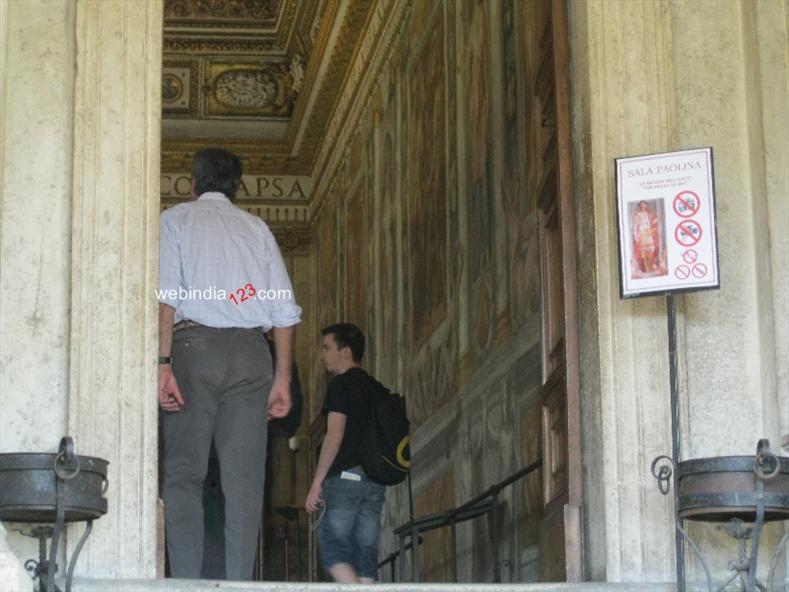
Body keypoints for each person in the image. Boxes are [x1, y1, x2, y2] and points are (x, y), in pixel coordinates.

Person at [158, 147, 301, 580]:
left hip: (194, 351)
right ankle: (240, 583)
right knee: (244, 484)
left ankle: (185, 581)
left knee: (185, 474)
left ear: (193, 183)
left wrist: (162, 364)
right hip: (250, 356)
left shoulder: (176, 220)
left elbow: (166, 296)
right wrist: (282, 379)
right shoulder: (256, 229)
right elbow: (283, 308)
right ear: (235, 187)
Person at [305, 323, 386, 583]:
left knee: (334, 549)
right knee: (366, 556)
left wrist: (317, 482)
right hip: (375, 481)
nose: (322, 355)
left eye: (327, 348)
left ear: (345, 351)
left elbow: (334, 435)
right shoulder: (377, 388)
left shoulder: (341, 385)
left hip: (344, 479)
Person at [632, 200, 661, 275]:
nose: (643, 206)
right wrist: (636, 235)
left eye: (644, 205)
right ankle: (645, 269)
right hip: (642, 233)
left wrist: (658, 219)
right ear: (640, 206)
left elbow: (652, 223)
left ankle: (650, 268)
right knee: (643, 252)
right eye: (642, 205)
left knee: (650, 251)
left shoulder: (649, 214)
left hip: (648, 233)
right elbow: (635, 226)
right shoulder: (637, 214)